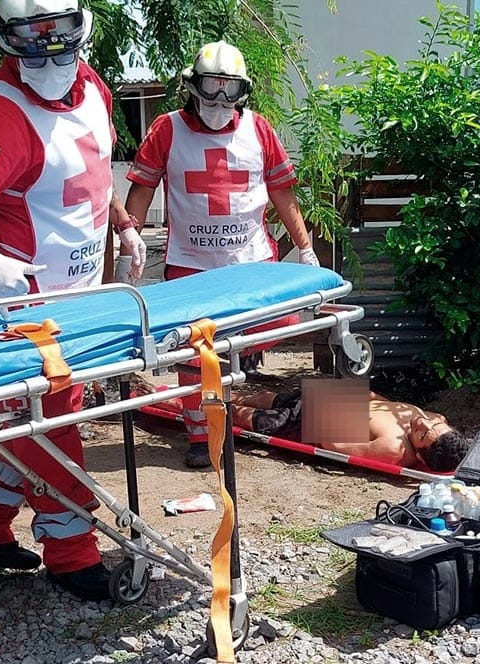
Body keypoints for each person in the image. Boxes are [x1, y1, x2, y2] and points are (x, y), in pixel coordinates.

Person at [0, 0, 147, 602]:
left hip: (78, 294)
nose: (48, 47)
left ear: (80, 28)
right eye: (31, 34)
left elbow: (93, 169)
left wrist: (123, 222)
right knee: (53, 422)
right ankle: (72, 552)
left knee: (35, 423)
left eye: (59, 32)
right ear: (7, 36)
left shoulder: (92, 84)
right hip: (16, 304)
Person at [121, 40, 320, 469]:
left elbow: (282, 193)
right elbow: (141, 190)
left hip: (251, 262)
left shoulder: (259, 130)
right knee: (194, 357)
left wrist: (304, 248)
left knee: (264, 331)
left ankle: (232, 404)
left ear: (242, 91)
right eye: (211, 87)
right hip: (191, 266)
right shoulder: (167, 129)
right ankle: (202, 435)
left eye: (229, 88)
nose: (219, 99)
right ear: (193, 87)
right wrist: (129, 240)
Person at [231, 390, 470, 472]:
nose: (423, 424)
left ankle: (200, 405)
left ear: (419, 454)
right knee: (264, 397)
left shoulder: (393, 449)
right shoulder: (435, 418)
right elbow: (390, 404)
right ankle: (220, 391)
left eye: (422, 435)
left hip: (314, 421)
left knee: (241, 416)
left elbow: (335, 446)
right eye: (434, 425)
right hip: (343, 399)